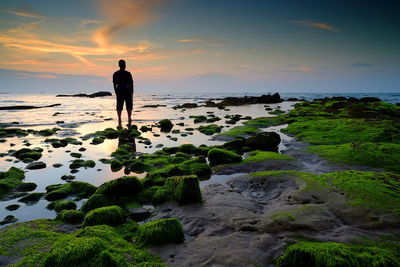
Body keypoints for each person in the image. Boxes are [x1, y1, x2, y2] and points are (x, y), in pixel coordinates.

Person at [113, 59, 134, 127]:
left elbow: (114, 84)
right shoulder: (128, 73)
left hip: (119, 91)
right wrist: (132, 92)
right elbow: (131, 84)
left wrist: (116, 91)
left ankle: (119, 118)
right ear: (125, 65)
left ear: (119, 65)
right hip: (127, 91)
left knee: (119, 106)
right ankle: (129, 118)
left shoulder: (115, 74)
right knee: (129, 106)